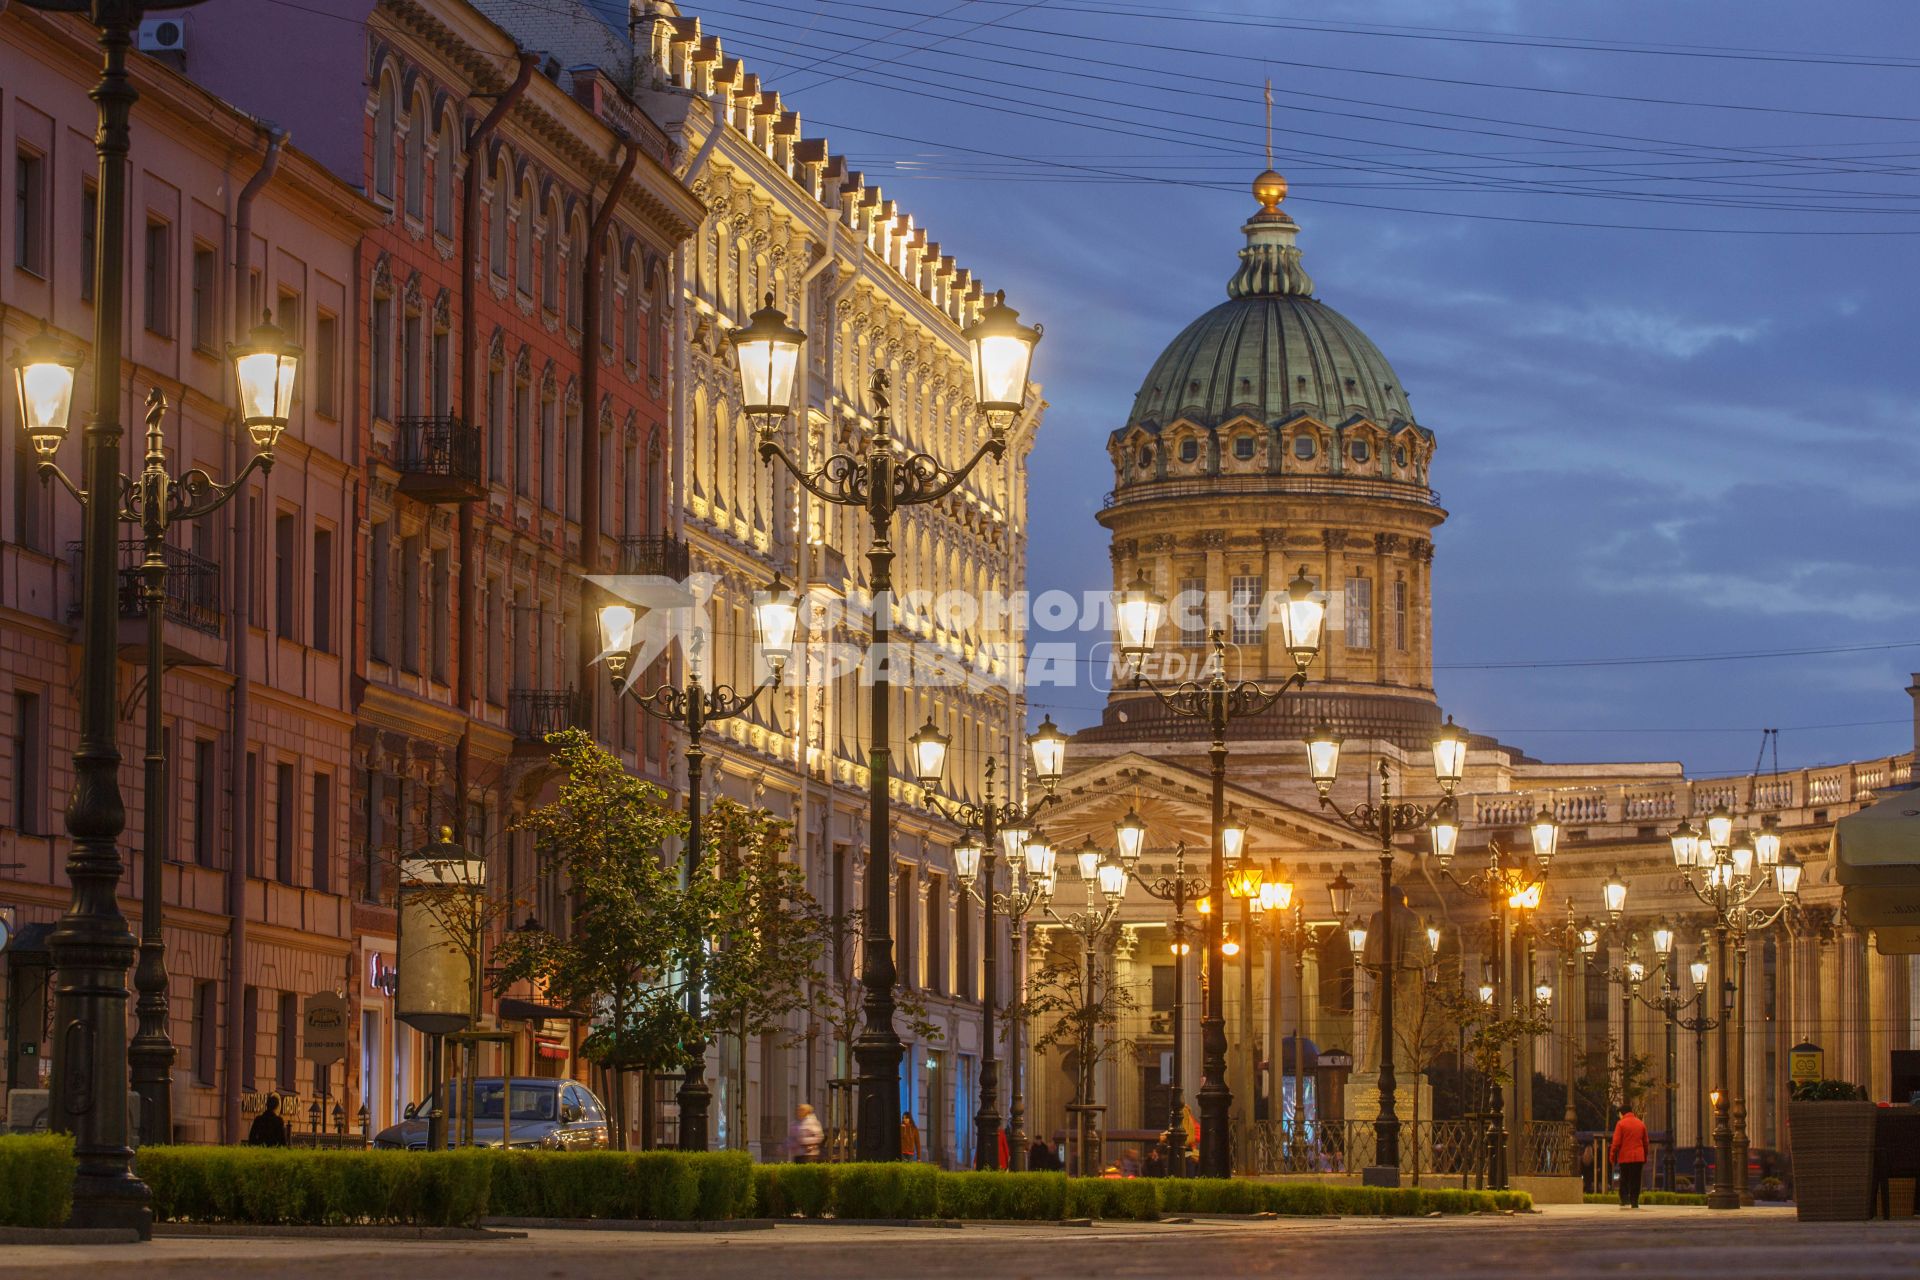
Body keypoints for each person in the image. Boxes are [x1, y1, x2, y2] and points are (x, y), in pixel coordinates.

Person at [1611, 1102, 1650, 1209]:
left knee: (1624, 1179)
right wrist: (1645, 1155)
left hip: (1625, 1157)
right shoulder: (1640, 1123)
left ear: (1622, 1113)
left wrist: (1613, 1155)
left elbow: (1616, 1142)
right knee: (1636, 1179)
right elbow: (1646, 1142)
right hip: (1638, 1157)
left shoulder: (1621, 1124)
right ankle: (1634, 1201)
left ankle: (1624, 1199)